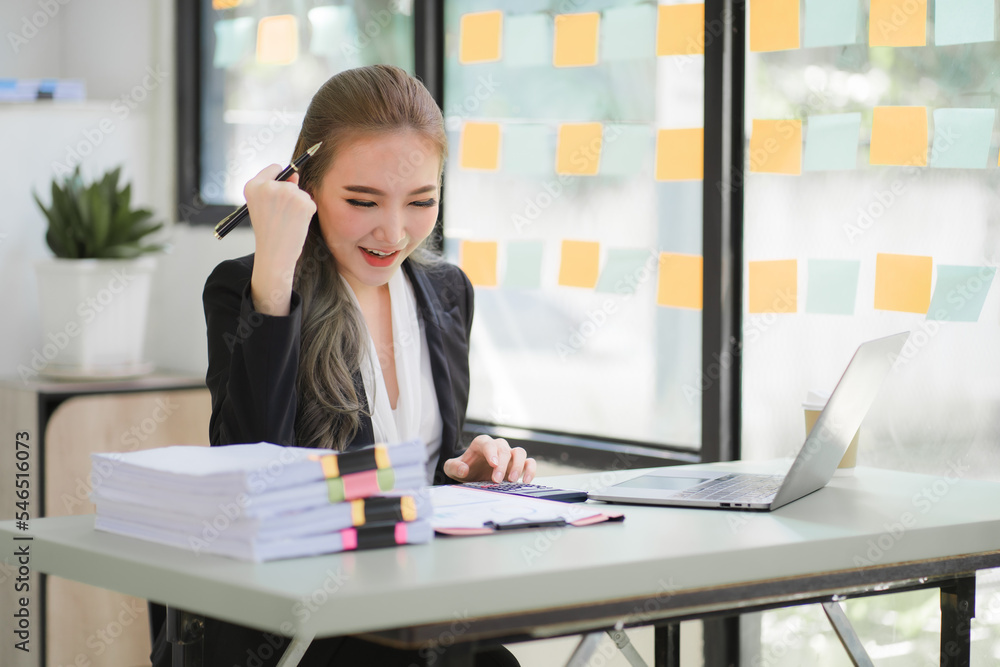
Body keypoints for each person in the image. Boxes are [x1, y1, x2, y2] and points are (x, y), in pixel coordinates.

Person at [149, 65, 532, 667]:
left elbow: (414, 490)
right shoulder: (241, 291)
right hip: (307, 634)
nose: (394, 231)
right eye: (362, 201)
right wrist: (274, 271)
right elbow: (253, 472)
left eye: (421, 202)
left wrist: (465, 479)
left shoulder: (447, 291)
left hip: (413, 615)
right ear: (304, 187)